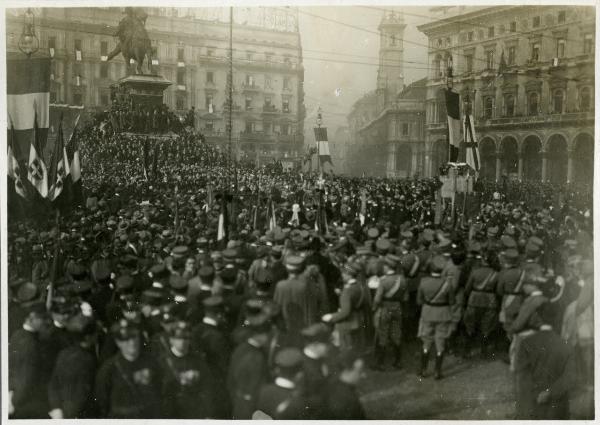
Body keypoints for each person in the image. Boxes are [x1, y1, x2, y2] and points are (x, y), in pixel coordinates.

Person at [513, 303, 576, 419]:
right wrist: (550, 392)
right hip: (557, 407)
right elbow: (570, 376)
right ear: (558, 318)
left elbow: (522, 377)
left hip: (532, 404)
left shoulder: (526, 343)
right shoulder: (566, 345)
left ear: (538, 317)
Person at [95, 319, 163, 418]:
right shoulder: (109, 368)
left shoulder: (152, 362)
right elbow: (102, 401)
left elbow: (160, 389)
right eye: (126, 339)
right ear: (118, 343)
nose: (132, 342)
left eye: (134, 337)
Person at [157, 321, 217, 418]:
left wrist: (208, 413)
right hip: (171, 412)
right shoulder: (162, 362)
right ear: (171, 340)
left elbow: (207, 388)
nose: (183, 342)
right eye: (178, 338)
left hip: (194, 410)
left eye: (186, 338)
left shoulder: (198, 360)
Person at [47, 314, 98, 419]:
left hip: (60, 411)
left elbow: (53, 383)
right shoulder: (87, 359)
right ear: (88, 337)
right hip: (77, 414)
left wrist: (56, 408)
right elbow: (81, 393)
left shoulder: (63, 354)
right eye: (95, 333)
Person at [9, 304, 51, 419]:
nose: (45, 323)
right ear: (32, 318)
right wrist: (15, 401)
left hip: (13, 391)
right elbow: (26, 376)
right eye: (43, 319)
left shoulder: (17, 334)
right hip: (23, 399)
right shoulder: (31, 344)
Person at [417, 255, 455, 379]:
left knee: (426, 341)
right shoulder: (447, 284)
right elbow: (452, 301)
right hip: (443, 314)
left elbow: (419, 301)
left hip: (428, 313)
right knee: (440, 342)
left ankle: (423, 369)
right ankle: (437, 371)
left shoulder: (423, 282)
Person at [372, 254, 407, 370]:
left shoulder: (383, 281)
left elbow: (377, 299)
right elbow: (405, 297)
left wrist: (374, 308)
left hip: (385, 309)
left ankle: (380, 363)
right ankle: (398, 361)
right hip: (397, 308)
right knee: (397, 334)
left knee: (383, 334)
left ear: (387, 267)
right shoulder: (402, 279)